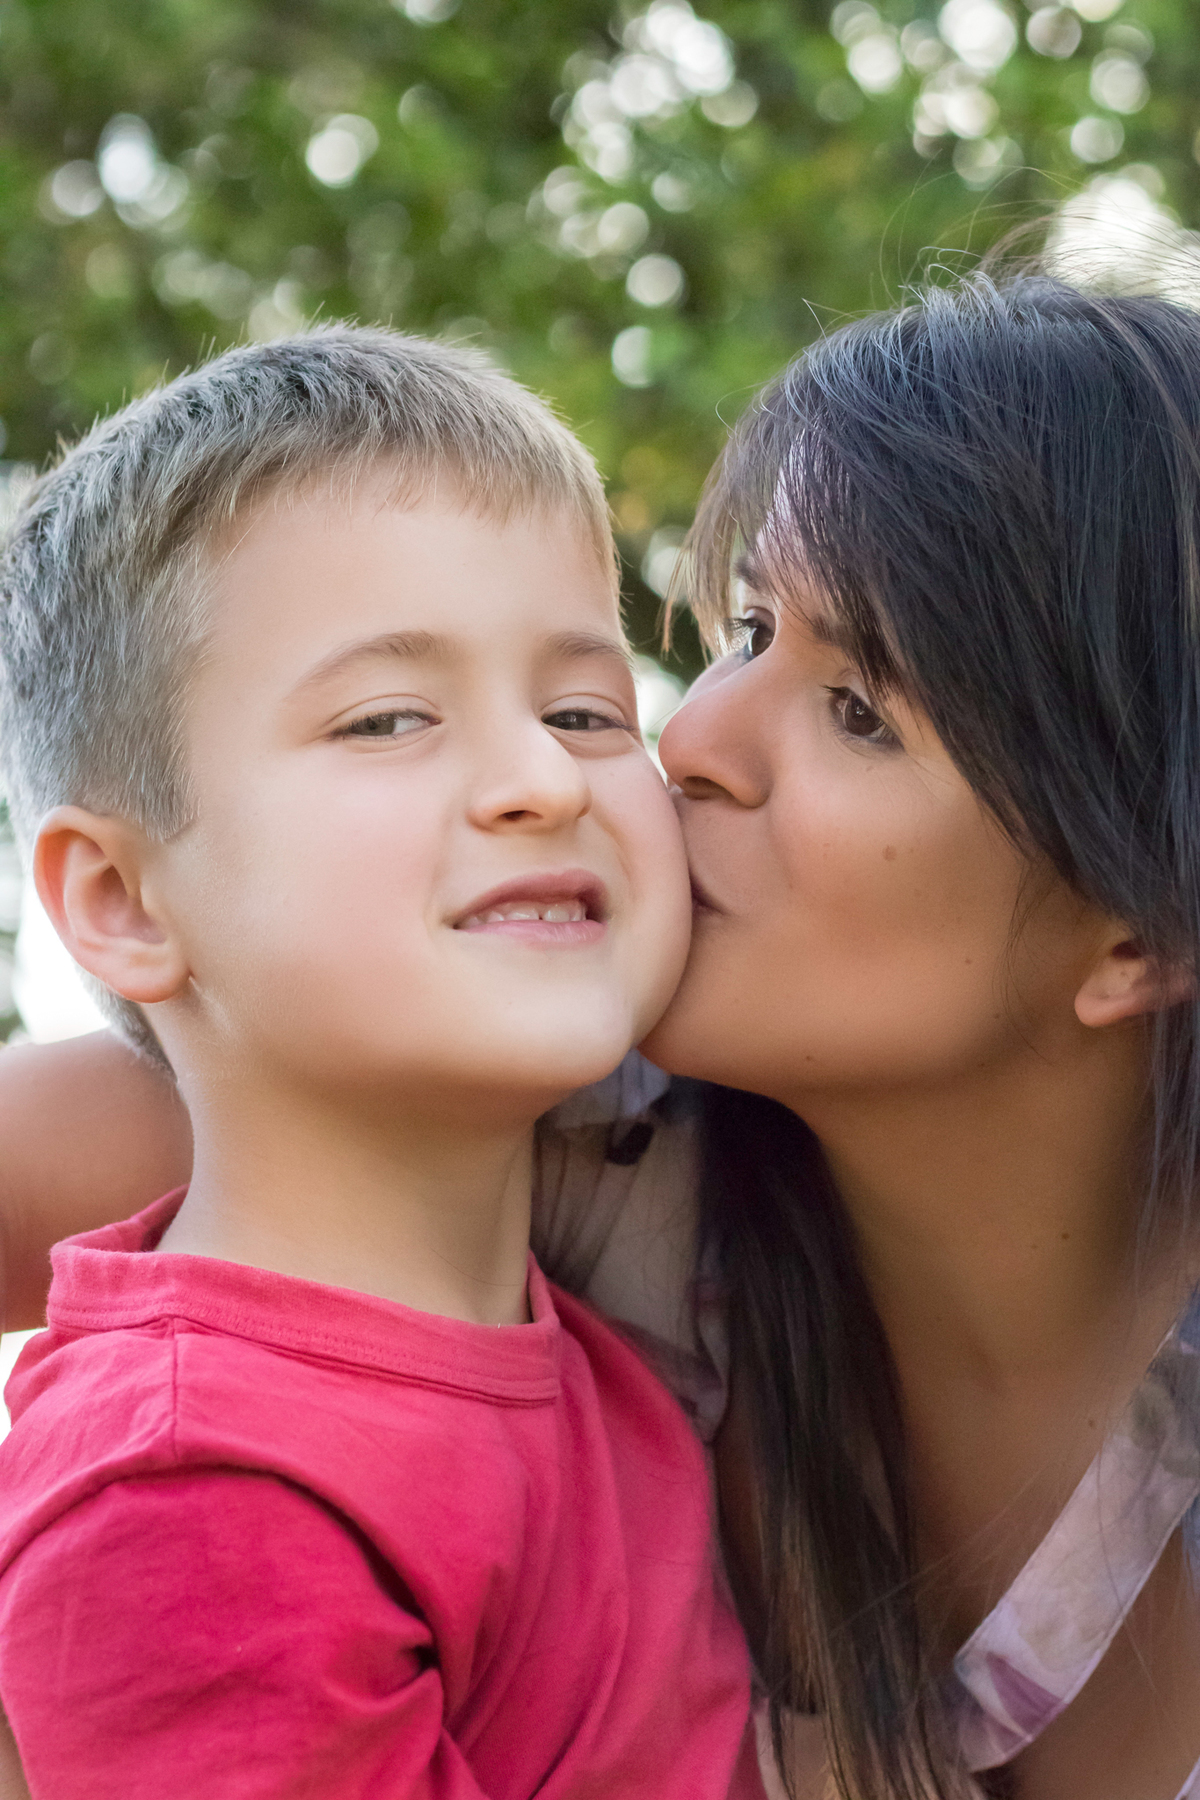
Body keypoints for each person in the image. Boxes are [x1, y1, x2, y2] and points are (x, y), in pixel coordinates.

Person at [4, 268, 1200, 1800]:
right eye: (751, 627)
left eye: (858, 712)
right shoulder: (534, 1139)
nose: (681, 738)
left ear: (1143, 932)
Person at [0, 327, 763, 1800]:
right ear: (123, 900)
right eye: (388, 719)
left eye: (586, 711)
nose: (542, 780)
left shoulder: (590, 1349)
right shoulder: (194, 1494)